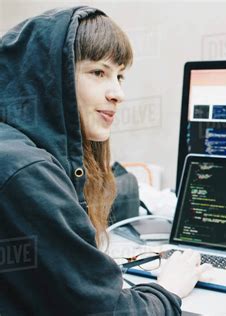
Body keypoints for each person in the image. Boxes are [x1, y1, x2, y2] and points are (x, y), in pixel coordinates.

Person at [0, 6, 209, 315]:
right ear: (48, 80)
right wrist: (167, 289)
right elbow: (109, 312)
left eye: (120, 75)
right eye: (98, 72)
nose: (118, 93)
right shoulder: (26, 171)